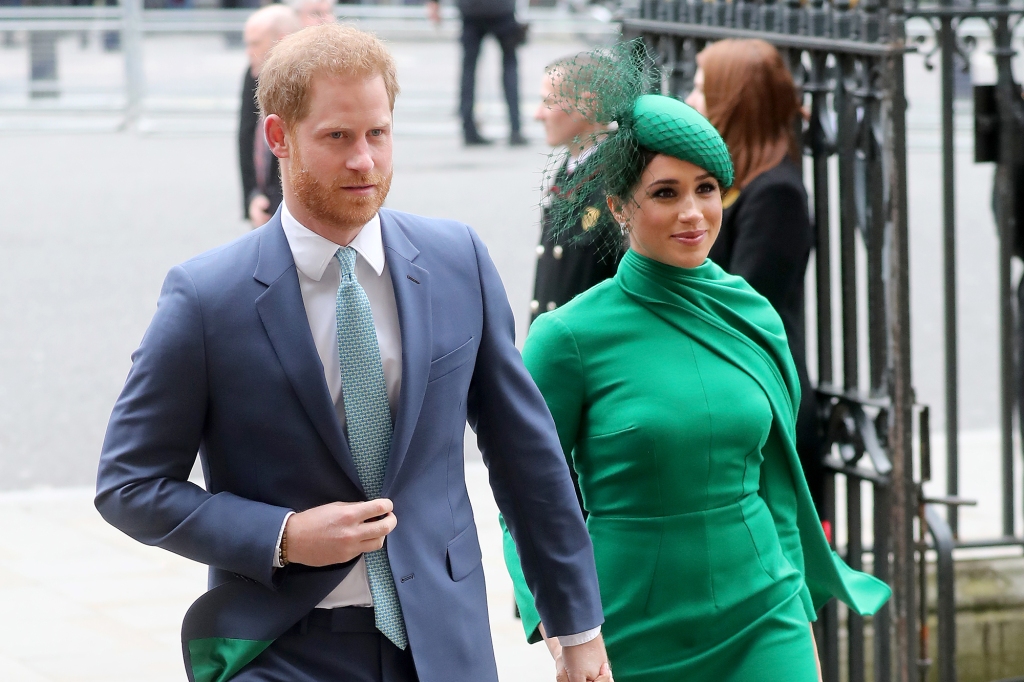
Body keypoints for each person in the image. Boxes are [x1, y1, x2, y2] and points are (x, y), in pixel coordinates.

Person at [96, 24, 611, 682]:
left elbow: (526, 457)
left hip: (442, 644)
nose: (365, 161)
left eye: (378, 133)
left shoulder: (458, 261)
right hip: (281, 647)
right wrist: (281, 535)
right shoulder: (206, 298)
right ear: (278, 137)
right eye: (337, 137)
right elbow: (129, 484)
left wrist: (576, 625)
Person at [502, 43, 890, 682]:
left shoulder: (753, 314)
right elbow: (525, 493)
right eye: (665, 192)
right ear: (622, 206)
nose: (692, 213)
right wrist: (564, 629)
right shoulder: (569, 336)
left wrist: (799, 618)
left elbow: (778, 487)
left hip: (764, 616)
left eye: (706, 189)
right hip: (629, 626)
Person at [684, 39, 825, 517]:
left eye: (702, 89)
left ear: (734, 99)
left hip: (762, 401)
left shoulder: (776, 192)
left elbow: (744, 305)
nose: (690, 101)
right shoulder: (734, 181)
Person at [529, 54, 621, 324]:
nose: (538, 114)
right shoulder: (571, 167)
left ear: (588, 105)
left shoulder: (613, 180)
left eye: (548, 102)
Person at [425, 0, 526, 146]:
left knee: (468, 70)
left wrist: (434, 3)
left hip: (471, 9)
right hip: (502, 9)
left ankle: (468, 129)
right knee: (509, 66)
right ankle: (515, 129)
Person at [238, 4, 300, 228]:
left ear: (280, 41)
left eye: (255, 43)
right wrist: (252, 197)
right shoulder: (253, 72)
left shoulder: (309, 82)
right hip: (263, 205)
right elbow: (246, 138)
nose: (248, 51)